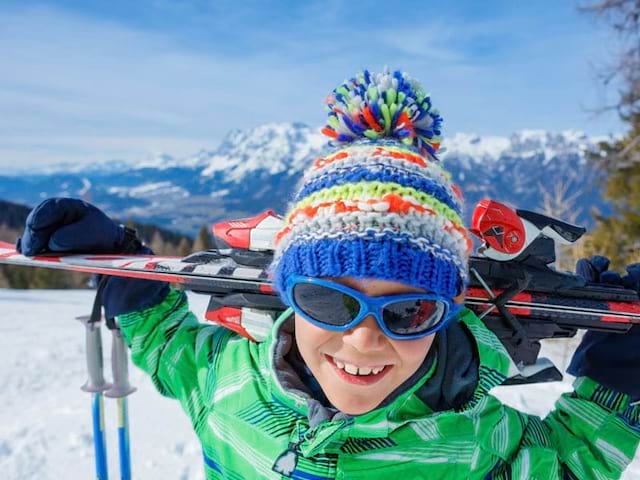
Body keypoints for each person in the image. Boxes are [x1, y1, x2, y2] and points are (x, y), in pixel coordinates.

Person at [18, 69, 640, 479]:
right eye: (329, 301)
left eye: (408, 310)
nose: (364, 339)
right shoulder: (225, 385)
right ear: (290, 297)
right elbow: (165, 341)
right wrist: (124, 267)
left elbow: (571, 463)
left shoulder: (477, 443)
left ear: (447, 310)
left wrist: (616, 380)